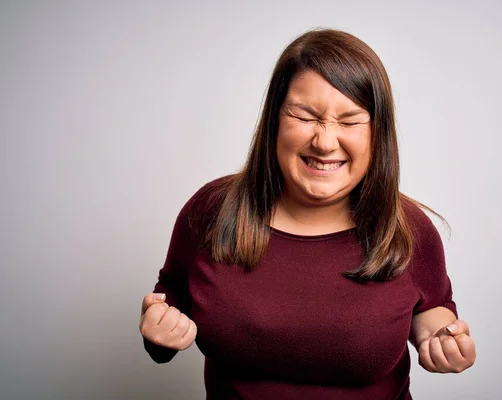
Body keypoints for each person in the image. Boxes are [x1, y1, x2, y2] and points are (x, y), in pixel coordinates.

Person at [138, 28, 476, 399]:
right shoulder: (211, 211)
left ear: (377, 133)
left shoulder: (408, 229)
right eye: (305, 116)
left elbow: (432, 315)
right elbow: (168, 306)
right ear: (275, 120)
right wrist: (160, 334)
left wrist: (443, 342)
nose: (325, 141)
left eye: (349, 121)